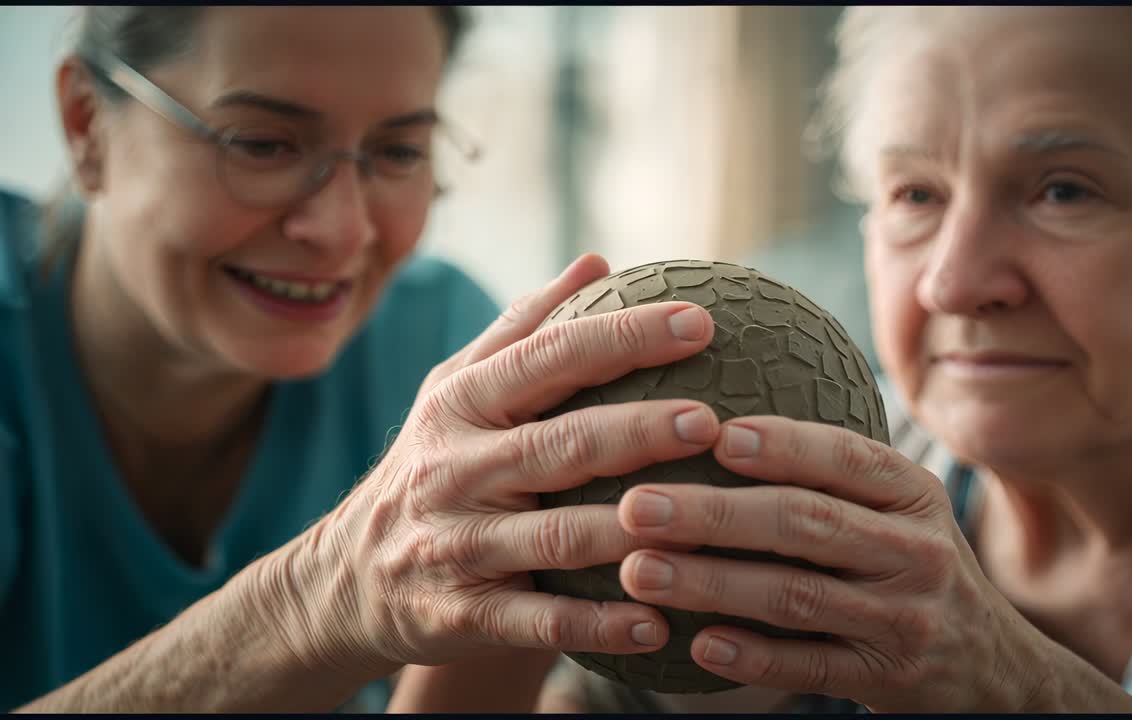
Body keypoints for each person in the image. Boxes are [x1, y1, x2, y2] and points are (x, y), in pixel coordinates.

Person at [398, 5, 1132, 713]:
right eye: (915, 194)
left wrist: (1026, 686)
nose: (954, 281)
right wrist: (503, 554)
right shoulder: (763, 496)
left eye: (1063, 191)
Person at [1, 6, 734, 712]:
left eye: (397, 152)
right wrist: (322, 599)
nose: (342, 229)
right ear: (87, 123)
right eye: (262, 143)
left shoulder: (441, 338)